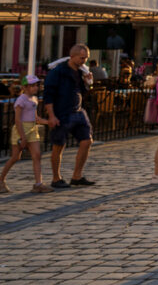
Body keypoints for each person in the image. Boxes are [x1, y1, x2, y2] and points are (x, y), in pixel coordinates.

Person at [44, 43, 95, 189]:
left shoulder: (80, 72)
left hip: (78, 111)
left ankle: (77, 176)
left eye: (86, 58)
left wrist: (88, 83)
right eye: (81, 58)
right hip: (62, 112)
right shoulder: (58, 71)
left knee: (87, 141)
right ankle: (56, 178)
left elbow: (83, 93)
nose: (84, 61)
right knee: (58, 145)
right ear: (72, 56)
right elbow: (48, 95)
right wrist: (51, 115)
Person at [0, 76, 52, 193]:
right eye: (32, 85)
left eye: (36, 85)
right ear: (25, 87)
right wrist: (22, 136)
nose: (35, 88)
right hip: (21, 129)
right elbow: (18, 120)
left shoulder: (34, 99)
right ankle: (1, 179)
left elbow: (36, 117)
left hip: (32, 128)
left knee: (37, 155)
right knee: (15, 157)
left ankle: (38, 183)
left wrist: (48, 122)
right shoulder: (21, 100)